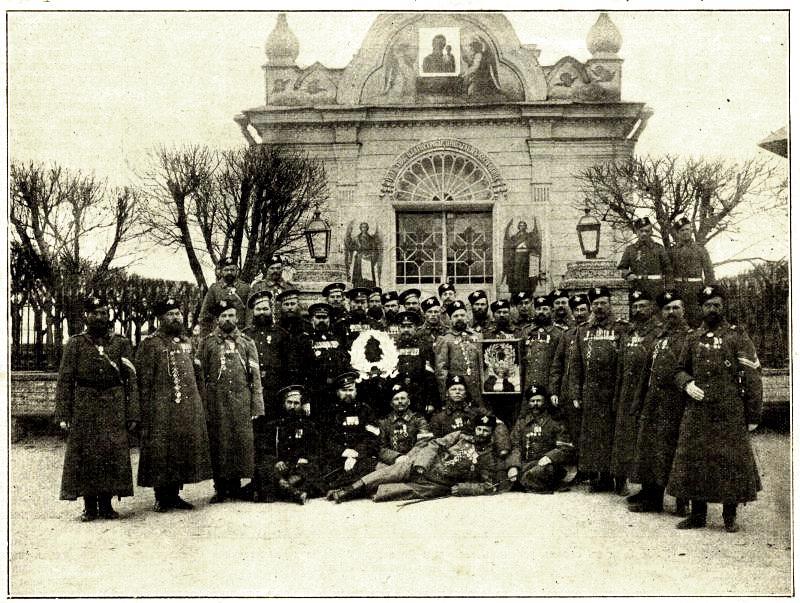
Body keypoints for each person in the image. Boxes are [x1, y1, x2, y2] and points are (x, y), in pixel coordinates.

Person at [667, 284, 762, 532]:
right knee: (695, 460)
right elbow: (678, 370)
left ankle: (729, 516)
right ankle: (697, 515)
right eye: (708, 305)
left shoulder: (737, 335)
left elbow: (752, 375)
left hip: (729, 410)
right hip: (697, 410)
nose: (712, 309)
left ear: (723, 307)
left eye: (717, 305)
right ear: (701, 308)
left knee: (729, 461)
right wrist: (687, 384)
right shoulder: (693, 337)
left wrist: (753, 414)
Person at [55, 295, 139, 521]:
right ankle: (89, 506)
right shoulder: (75, 343)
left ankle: (107, 504)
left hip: (114, 403)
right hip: (85, 403)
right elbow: (65, 380)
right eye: (95, 313)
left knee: (112, 453)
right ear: (86, 316)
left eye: (103, 313)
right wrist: (63, 413)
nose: (100, 317)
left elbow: (131, 379)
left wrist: (133, 413)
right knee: (86, 454)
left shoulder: (120, 343)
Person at [135, 297, 212, 512]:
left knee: (181, 450)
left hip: (186, 407)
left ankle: (175, 495)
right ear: (161, 318)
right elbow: (143, 380)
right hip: (160, 408)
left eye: (178, 313)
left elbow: (198, 375)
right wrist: (145, 409)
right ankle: (161, 496)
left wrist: (200, 402)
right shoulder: (150, 343)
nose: (176, 317)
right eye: (171, 314)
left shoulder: (187, 342)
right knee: (161, 451)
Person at [327, 413, 509, 503]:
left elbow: (488, 484)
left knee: (391, 492)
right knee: (391, 472)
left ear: (491, 432)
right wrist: (422, 463)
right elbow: (434, 444)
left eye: (486, 430)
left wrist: (464, 488)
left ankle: (360, 492)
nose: (482, 433)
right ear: (475, 428)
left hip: (436, 484)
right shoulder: (460, 436)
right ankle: (347, 490)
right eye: (480, 429)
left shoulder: (487, 456)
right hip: (424, 466)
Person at [628, 290, 691, 516]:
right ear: (661, 312)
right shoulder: (658, 337)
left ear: (683, 310)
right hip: (654, 403)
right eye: (667, 308)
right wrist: (639, 402)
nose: (671, 312)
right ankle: (651, 496)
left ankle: (682, 501)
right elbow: (647, 372)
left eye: (676, 307)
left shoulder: (689, 337)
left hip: (676, 404)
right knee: (649, 450)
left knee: (674, 453)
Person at [197, 299, 265, 503]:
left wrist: (257, 405)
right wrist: (203, 403)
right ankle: (220, 488)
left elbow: (255, 375)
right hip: (215, 401)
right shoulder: (207, 342)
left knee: (239, 441)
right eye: (223, 316)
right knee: (219, 442)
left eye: (231, 315)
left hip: (241, 400)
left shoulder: (246, 342)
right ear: (218, 319)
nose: (227, 319)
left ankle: (235, 486)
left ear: (237, 317)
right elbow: (200, 374)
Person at [573, 286, 629, 492]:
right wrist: (576, 392)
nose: (599, 307)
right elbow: (577, 364)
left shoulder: (622, 328)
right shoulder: (583, 331)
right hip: (592, 393)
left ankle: (620, 481)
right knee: (596, 437)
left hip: (614, 392)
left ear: (610, 304)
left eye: (603, 303)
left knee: (617, 436)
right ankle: (603, 478)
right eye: (595, 303)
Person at [610, 289, 660, 496]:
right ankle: (620, 481)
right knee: (623, 439)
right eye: (635, 307)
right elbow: (620, 367)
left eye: (643, 306)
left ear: (651, 308)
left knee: (645, 441)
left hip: (647, 395)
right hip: (625, 394)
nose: (639, 310)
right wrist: (617, 396)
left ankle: (648, 489)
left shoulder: (658, 332)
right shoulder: (628, 333)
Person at [248, 385, 322, 504]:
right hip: (279, 468)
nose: (292, 406)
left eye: (296, 403)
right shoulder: (272, 426)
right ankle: (294, 492)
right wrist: (276, 461)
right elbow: (263, 450)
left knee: (313, 471)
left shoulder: (308, 426)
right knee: (264, 468)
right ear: (284, 403)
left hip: (298, 468)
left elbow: (315, 449)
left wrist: (305, 458)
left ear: (301, 404)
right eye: (289, 402)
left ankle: (281, 488)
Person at [508, 384, 575, 494]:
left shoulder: (554, 421)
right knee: (511, 473)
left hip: (548, 464)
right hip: (527, 463)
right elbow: (515, 445)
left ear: (545, 401)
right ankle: (526, 480)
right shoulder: (522, 422)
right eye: (532, 401)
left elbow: (565, 446)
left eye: (539, 401)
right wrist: (513, 466)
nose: (535, 404)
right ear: (528, 403)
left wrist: (549, 457)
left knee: (542, 471)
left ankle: (526, 482)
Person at [320, 371, 382, 491]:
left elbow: (372, 438)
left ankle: (341, 487)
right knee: (325, 471)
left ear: (356, 391)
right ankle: (350, 487)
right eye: (344, 390)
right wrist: (344, 452)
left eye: (351, 390)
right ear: (337, 392)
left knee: (370, 466)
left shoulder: (365, 410)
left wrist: (355, 455)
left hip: (361, 458)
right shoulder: (329, 412)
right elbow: (324, 439)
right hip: (337, 457)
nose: (348, 393)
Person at [430, 374, 511, 458]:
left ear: (465, 393)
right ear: (447, 393)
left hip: (477, 454)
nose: (457, 392)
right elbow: (436, 442)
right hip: (450, 457)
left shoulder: (477, 412)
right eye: (453, 389)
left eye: (461, 389)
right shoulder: (438, 418)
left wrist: (503, 447)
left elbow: (499, 424)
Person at [548, 293, 591, 453]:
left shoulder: (594, 333)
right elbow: (557, 365)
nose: (579, 314)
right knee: (572, 432)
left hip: (589, 392)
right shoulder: (568, 335)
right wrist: (554, 390)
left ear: (589, 310)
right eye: (576, 311)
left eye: (582, 309)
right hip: (569, 393)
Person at [243, 290, 292, 420]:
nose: (262, 312)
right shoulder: (245, 335)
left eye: (265, 308)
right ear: (253, 311)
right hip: (252, 391)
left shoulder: (282, 334)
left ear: (271, 309)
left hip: (276, 389)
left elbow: (289, 364)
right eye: (258, 309)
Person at [306, 302, 350, 422]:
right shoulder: (306, 340)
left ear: (329, 319)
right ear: (312, 320)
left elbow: (345, 362)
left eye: (324, 317)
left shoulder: (337, 339)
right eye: (318, 317)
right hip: (316, 393)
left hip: (336, 392)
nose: (322, 320)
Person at [669, 216, 716, 327]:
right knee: (678, 319)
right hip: (678, 288)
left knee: (696, 319)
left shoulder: (700, 249)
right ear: (678, 233)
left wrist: (709, 287)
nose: (685, 232)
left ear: (691, 230)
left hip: (696, 289)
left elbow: (709, 270)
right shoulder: (672, 251)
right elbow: (668, 272)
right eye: (682, 230)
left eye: (687, 229)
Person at [434, 300, 483, 403]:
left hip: (478, 389)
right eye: (455, 316)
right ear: (450, 319)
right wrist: (445, 396)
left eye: (462, 315)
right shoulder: (445, 339)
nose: (459, 318)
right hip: (457, 389)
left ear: (467, 317)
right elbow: (441, 371)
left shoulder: (478, 336)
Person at [394, 310, 439, 417]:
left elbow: (430, 375)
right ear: (398, 328)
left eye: (409, 326)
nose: (406, 330)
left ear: (415, 328)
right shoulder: (392, 347)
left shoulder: (424, 346)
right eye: (403, 327)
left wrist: (430, 401)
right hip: (397, 394)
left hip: (419, 394)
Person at [377, 379, 431, 466]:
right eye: (396, 399)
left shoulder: (419, 419)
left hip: (414, 460)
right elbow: (380, 447)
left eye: (403, 398)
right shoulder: (384, 422)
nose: (400, 401)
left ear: (409, 401)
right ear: (391, 403)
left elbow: (424, 441)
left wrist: (408, 457)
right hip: (391, 462)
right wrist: (396, 457)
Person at [617, 217, 673, 302]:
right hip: (637, 288)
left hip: (656, 289)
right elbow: (622, 268)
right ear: (636, 232)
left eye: (647, 231)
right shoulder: (630, 249)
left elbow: (668, 269)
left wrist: (669, 289)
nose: (644, 234)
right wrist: (628, 274)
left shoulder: (659, 248)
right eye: (641, 231)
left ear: (651, 232)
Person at [520, 295, 562, 392]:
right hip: (528, 384)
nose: (541, 312)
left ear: (551, 310)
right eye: (538, 309)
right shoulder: (525, 331)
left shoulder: (559, 333)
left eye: (545, 309)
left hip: (549, 384)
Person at [199, 257, 251, 335]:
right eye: (226, 270)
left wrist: (247, 332)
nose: (229, 272)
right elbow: (205, 315)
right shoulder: (214, 289)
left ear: (237, 271)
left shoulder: (245, 288)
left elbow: (249, 313)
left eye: (232, 270)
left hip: (240, 332)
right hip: (219, 333)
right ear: (221, 272)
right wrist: (206, 335)